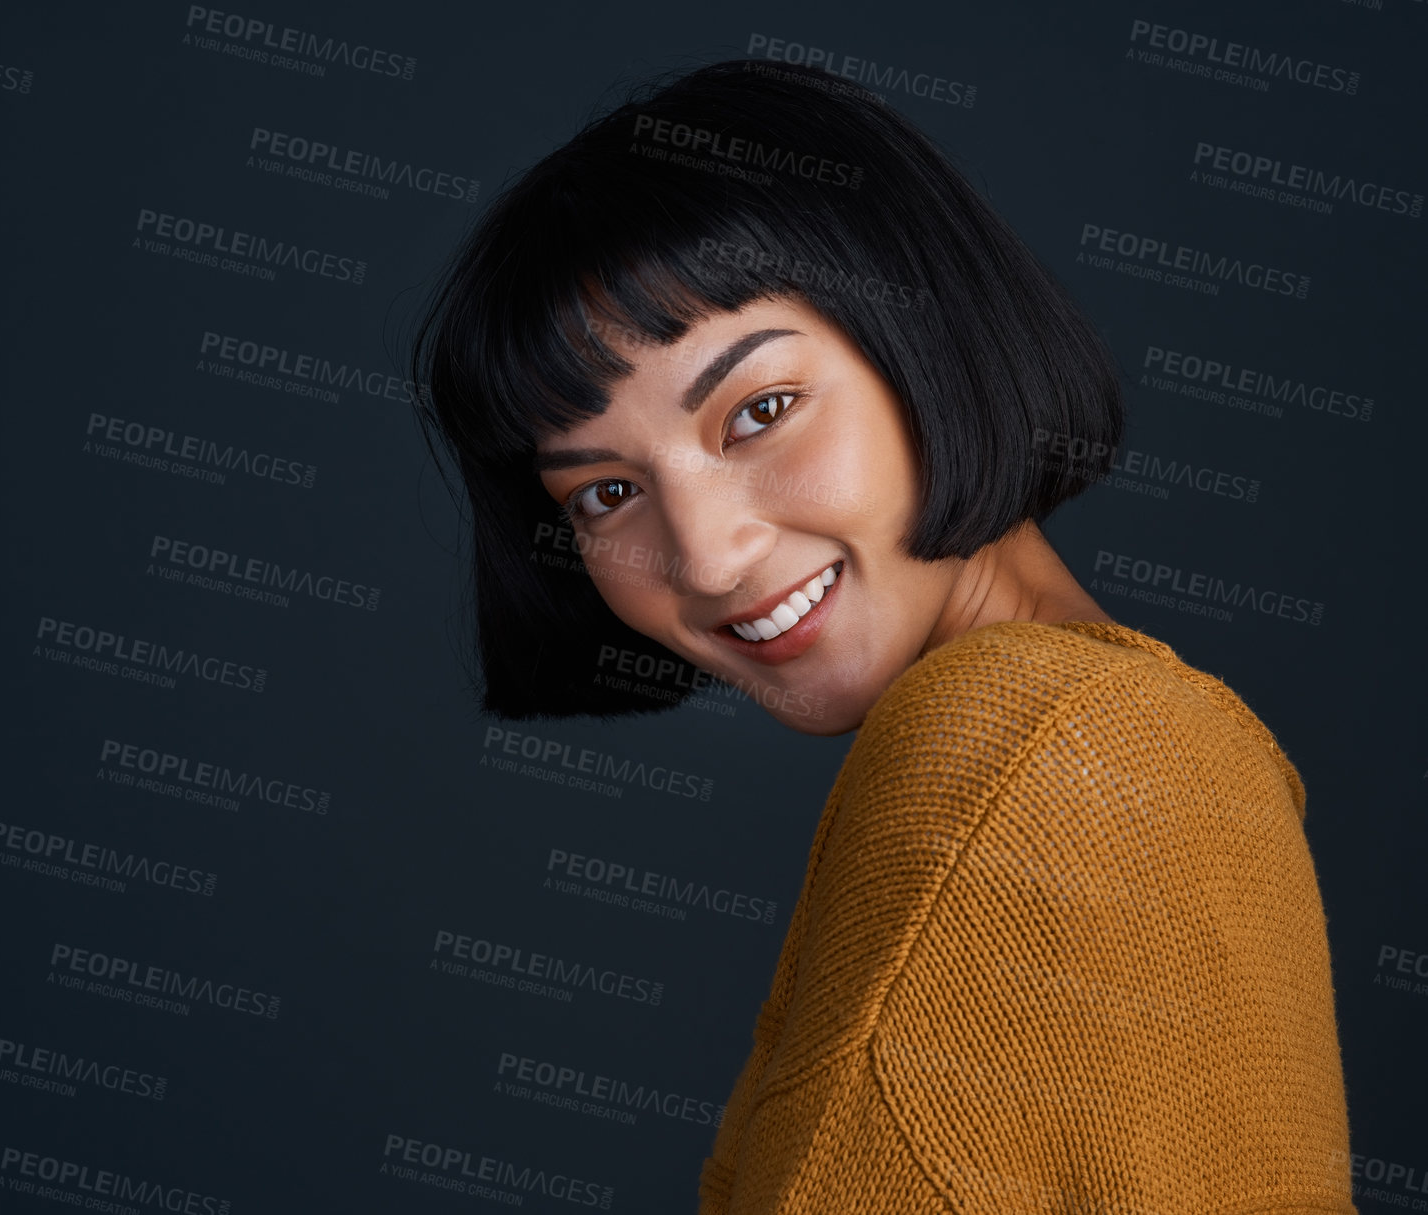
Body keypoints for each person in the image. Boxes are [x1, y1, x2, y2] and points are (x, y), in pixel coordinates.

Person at [409, 58, 1357, 1214]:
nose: (704, 556)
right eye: (603, 495)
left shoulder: (1022, 746)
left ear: (928, 346)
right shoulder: (1151, 745)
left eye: (757, 411)